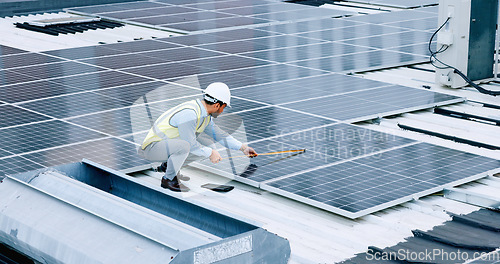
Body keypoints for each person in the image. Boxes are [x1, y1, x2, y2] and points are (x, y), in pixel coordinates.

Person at [140, 82, 258, 192]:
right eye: (224, 107)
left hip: (165, 147)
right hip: (152, 148)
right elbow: (189, 144)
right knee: (187, 146)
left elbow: (219, 135)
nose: (222, 111)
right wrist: (211, 153)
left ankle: (168, 166)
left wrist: (243, 148)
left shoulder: (205, 115)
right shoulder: (190, 113)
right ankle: (168, 179)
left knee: (206, 144)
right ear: (217, 105)